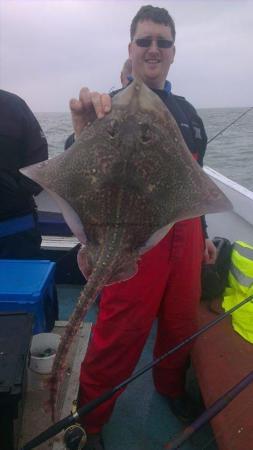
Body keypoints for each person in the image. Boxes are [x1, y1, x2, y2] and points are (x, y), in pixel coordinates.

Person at [66, 5, 217, 449]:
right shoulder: (107, 107)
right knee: (120, 331)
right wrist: (82, 132)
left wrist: (204, 233)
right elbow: (80, 168)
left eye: (162, 42)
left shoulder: (189, 114)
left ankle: (170, 387)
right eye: (144, 40)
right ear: (130, 49)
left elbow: (197, 182)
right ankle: (91, 419)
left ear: (173, 52)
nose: (153, 48)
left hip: (184, 234)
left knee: (180, 321)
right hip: (133, 235)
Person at [0, 89, 48, 258]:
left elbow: (40, 163)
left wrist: (16, 192)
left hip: (15, 225)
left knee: (27, 280)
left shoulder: (14, 106)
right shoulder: (15, 104)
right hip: (16, 224)